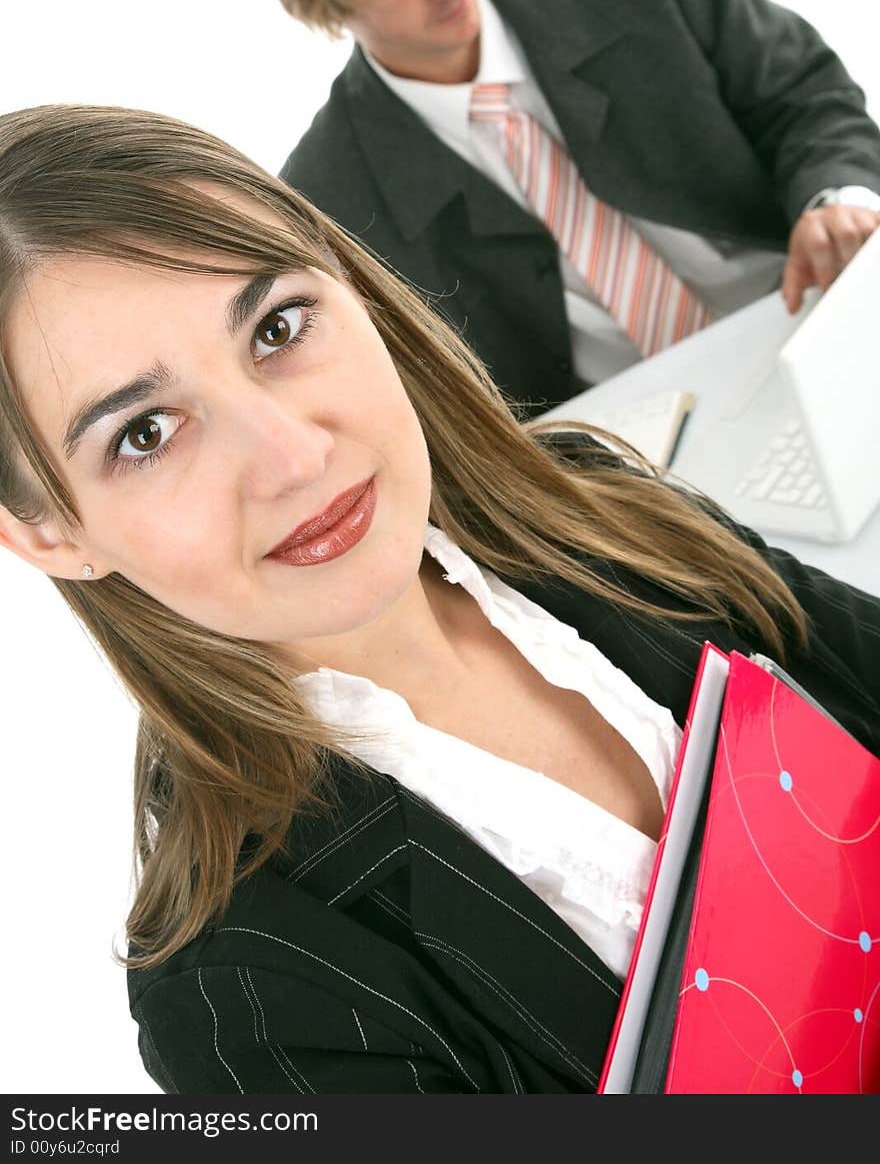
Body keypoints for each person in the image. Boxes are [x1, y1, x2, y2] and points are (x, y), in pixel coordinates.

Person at [1, 102, 878, 1095]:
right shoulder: (246, 1007)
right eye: (146, 433)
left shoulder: (593, 504)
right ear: (47, 532)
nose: (295, 456)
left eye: (277, 326)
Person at [239, 0, 880, 411]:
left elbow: (803, 94)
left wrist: (838, 200)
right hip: (631, 460)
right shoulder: (330, 199)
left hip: (818, 314)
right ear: (322, 5)